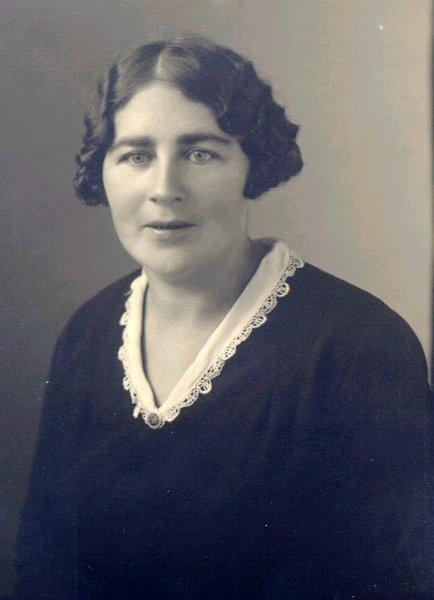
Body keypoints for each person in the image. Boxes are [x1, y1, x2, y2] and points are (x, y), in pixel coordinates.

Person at [15, 37, 433, 599]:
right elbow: (44, 568)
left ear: (251, 165)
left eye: (200, 153)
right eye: (136, 155)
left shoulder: (358, 345)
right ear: (104, 171)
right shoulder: (87, 335)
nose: (165, 189)